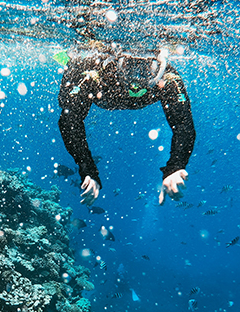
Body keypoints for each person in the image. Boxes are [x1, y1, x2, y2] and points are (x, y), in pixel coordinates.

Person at [57, 46, 196, 206]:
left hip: (106, 94)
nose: (135, 79)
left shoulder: (166, 79)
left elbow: (183, 124)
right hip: (92, 81)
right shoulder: (95, 72)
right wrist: (87, 170)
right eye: (128, 66)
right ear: (117, 62)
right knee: (66, 100)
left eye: (145, 68)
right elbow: (69, 119)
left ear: (158, 66)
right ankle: (70, 56)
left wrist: (176, 166)